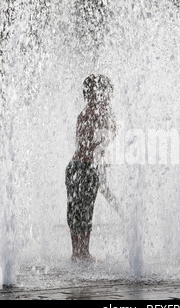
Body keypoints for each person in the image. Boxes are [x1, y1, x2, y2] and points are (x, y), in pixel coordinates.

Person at [65, 74, 118, 261]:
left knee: (77, 214)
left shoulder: (86, 113)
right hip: (85, 168)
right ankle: (81, 253)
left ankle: (78, 253)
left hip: (76, 167)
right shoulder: (97, 114)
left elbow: (95, 149)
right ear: (97, 94)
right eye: (106, 92)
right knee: (82, 214)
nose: (110, 97)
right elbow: (97, 149)